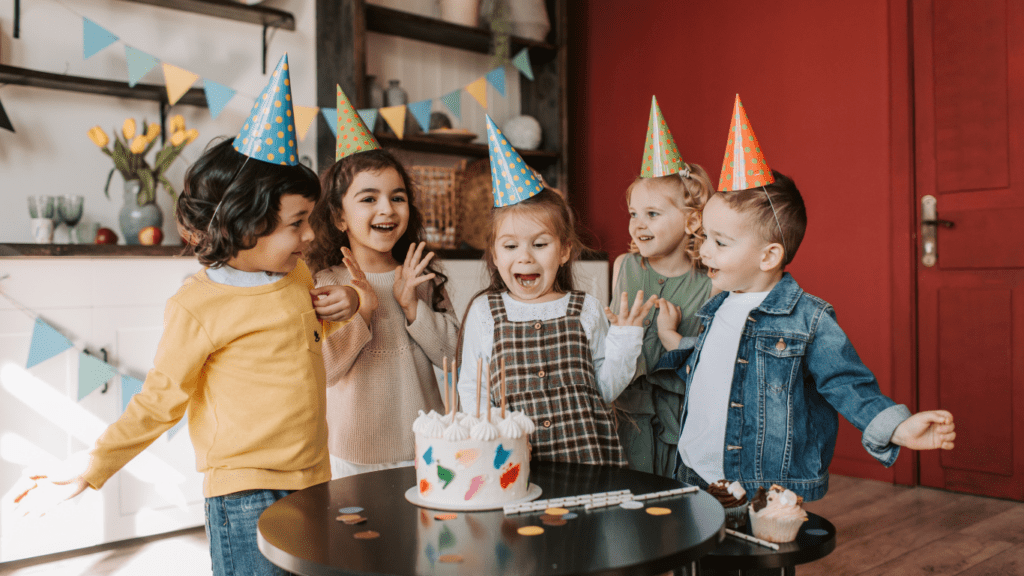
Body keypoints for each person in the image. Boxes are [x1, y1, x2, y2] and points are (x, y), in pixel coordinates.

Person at [12, 55, 340, 576]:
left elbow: (311, 332)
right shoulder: (198, 306)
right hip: (244, 490)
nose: (311, 236)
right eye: (298, 223)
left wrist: (350, 306)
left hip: (314, 474)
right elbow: (158, 402)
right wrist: (92, 467)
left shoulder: (296, 276)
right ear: (245, 226)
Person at [655, 95, 955, 501]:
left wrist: (896, 427)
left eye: (719, 242)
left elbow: (846, 381)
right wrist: (676, 343)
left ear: (769, 256)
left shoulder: (807, 320)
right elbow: (720, 363)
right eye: (704, 236)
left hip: (762, 483)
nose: (703, 250)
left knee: (759, 560)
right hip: (695, 470)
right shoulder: (718, 307)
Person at [455, 116, 656, 466]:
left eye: (539, 244)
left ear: (564, 251)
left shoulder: (586, 309)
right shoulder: (485, 312)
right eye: (511, 246)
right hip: (517, 464)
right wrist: (493, 442)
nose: (526, 257)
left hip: (589, 463)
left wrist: (626, 338)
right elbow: (474, 392)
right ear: (494, 255)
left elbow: (603, 390)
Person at [305, 86, 458, 479]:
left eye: (398, 197)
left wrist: (413, 308)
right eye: (368, 199)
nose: (387, 209)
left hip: (425, 448)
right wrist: (364, 313)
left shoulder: (420, 272)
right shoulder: (324, 281)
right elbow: (324, 369)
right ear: (339, 217)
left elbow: (454, 355)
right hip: (351, 454)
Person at [610, 96, 715, 476]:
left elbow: (711, 362)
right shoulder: (623, 267)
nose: (638, 224)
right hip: (630, 409)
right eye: (634, 214)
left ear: (691, 221)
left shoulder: (710, 283)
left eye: (652, 214)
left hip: (681, 412)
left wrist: (669, 334)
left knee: (677, 500)